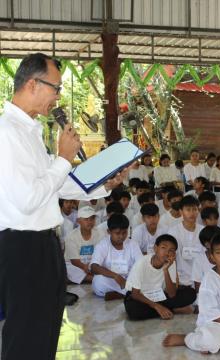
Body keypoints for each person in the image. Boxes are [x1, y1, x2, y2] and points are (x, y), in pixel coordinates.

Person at [0, 53, 129, 360]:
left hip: (43, 244)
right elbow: (28, 199)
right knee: (26, 334)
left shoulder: (29, 131)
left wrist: (105, 185)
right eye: (55, 88)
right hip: (22, 246)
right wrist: (62, 158)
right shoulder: (7, 133)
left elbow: (58, 181)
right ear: (32, 84)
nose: (58, 96)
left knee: (45, 329)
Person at [124, 234, 196, 321]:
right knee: (134, 311)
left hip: (159, 295)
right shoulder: (142, 262)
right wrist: (157, 306)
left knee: (191, 294)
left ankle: (160, 309)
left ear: (174, 253)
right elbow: (135, 294)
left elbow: (171, 294)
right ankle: (166, 309)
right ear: (155, 248)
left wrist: (166, 270)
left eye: (171, 250)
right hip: (141, 297)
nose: (166, 253)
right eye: (163, 248)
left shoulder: (170, 263)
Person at [91, 214, 143, 300]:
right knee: (98, 281)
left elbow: (141, 264)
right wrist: (116, 276)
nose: (121, 236)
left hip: (130, 279)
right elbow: (94, 267)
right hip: (112, 280)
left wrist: (131, 279)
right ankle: (129, 294)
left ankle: (122, 294)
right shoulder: (102, 245)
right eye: (117, 233)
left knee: (145, 279)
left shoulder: (133, 244)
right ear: (109, 231)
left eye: (124, 233)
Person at [167, 195, 204, 287]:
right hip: (181, 279)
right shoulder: (173, 232)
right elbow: (171, 258)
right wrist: (175, 279)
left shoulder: (203, 231)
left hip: (201, 278)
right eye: (188, 209)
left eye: (195, 209)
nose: (192, 213)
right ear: (181, 211)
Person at [64, 206, 103, 284]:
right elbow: (74, 261)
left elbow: (102, 253)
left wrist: (93, 266)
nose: (90, 221)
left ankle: (89, 278)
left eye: (92, 218)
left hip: (94, 264)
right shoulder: (71, 236)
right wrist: (85, 267)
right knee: (68, 268)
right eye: (86, 219)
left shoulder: (100, 233)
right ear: (78, 221)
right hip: (77, 265)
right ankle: (93, 279)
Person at [191, 225, 220, 292]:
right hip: (207, 296)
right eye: (216, 240)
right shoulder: (199, 259)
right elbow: (198, 288)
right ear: (207, 244)